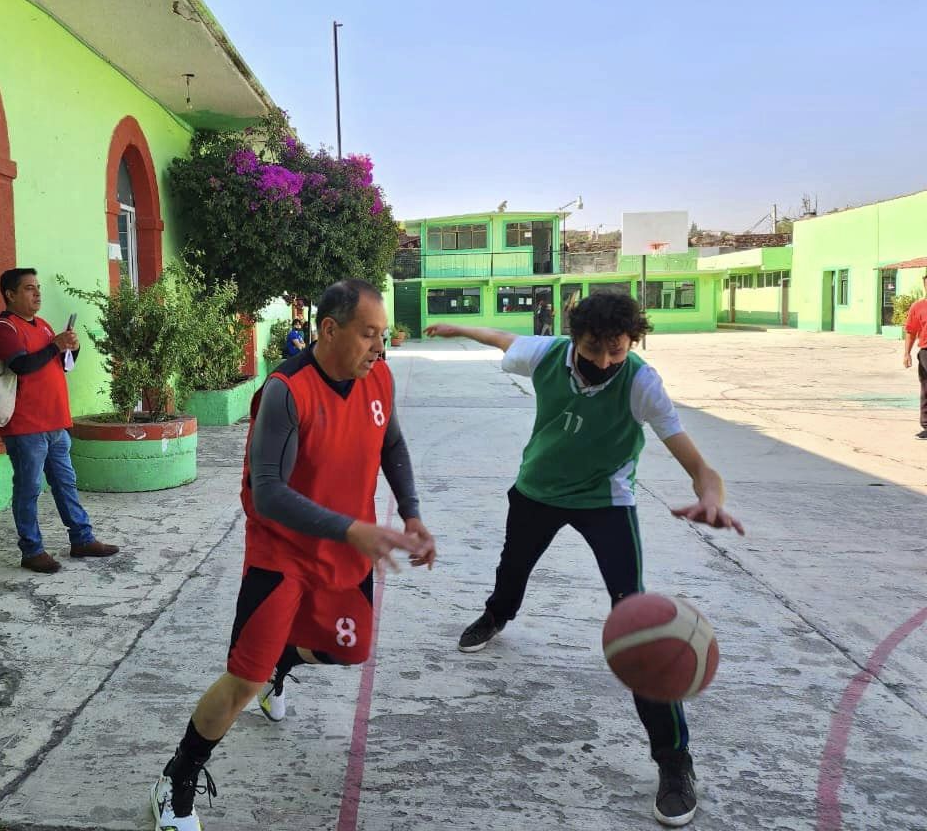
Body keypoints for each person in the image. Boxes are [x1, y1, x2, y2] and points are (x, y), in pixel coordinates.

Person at [426, 291, 744, 828]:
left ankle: (673, 761)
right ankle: (498, 614)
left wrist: (711, 497)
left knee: (642, 628)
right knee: (512, 570)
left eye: (616, 351)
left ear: (630, 344)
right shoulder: (547, 354)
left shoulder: (641, 383)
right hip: (536, 490)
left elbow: (698, 465)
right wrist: (459, 328)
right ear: (575, 338)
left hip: (606, 502)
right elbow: (503, 339)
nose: (603, 362)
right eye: (594, 348)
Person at [151, 279, 436, 831]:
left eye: (383, 335)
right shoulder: (286, 390)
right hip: (281, 555)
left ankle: (283, 663)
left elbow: (392, 444)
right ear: (329, 330)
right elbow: (268, 492)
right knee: (242, 683)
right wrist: (351, 528)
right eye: (368, 334)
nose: (381, 347)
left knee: (350, 652)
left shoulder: (378, 377)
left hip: (346, 550)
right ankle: (176, 781)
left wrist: (412, 514)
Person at [0, 268, 120, 573]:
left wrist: (72, 347)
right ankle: (31, 550)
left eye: (38, 288)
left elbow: (61, 365)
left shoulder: (44, 326)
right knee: (28, 489)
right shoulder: (4, 328)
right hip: (25, 426)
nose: (37, 294)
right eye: (29, 289)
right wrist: (55, 346)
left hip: (55, 423)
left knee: (66, 484)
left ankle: (82, 538)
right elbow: (22, 365)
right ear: (10, 294)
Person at [903, 271, 927, 440]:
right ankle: (926, 425)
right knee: (926, 389)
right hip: (926, 352)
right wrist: (907, 353)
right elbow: (911, 331)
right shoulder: (918, 307)